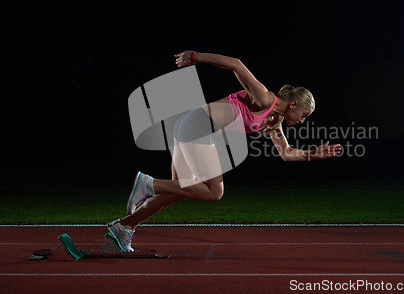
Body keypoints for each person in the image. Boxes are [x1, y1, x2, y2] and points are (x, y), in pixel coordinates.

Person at [107, 51, 342, 251]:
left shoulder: (273, 121)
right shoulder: (264, 97)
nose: (302, 121)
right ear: (293, 105)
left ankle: (125, 226)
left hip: (191, 126)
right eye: (304, 115)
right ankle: (147, 183)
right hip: (199, 126)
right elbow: (236, 64)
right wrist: (196, 57)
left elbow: (286, 153)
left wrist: (314, 154)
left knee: (180, 190)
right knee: (214, 192)